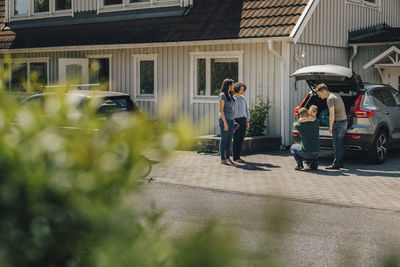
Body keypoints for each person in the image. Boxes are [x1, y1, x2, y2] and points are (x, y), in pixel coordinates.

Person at [315, 83, 347, 170]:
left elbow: (332, 114)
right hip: (344, 121)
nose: (319, 96)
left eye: (319, 94)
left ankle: (336, 164)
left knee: (336, 144)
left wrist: (330, 126)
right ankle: (339, 163)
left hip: (338, 123)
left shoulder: (330, 99)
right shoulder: (335, 95)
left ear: (323, 91)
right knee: (339, 143)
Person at [218, 78, 236, 165]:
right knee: (224, 139)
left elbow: (232, 110)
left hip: (231, 120)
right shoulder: (222, 95)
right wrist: (225, 123)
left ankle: (228, 157)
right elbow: (221, 111)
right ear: (228, 85)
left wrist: (234, 121)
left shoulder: (230, 95)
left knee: (229, 140)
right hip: (224, 120)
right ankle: (222, 159)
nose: (233, 86)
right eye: (232, 84)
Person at [233, 83, 250, 163]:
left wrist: (247, 121)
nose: (243, 91)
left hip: (243, 120)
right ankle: (235, 158)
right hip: (236, 121)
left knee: (241, 139)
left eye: (244, 89)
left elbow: (246, 110)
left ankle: (238, 156)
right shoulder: (233, 99)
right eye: (241, 89)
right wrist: (233, 122)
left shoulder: (243, 99)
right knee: (236, 139)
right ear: (237, 89)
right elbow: (231, 111)